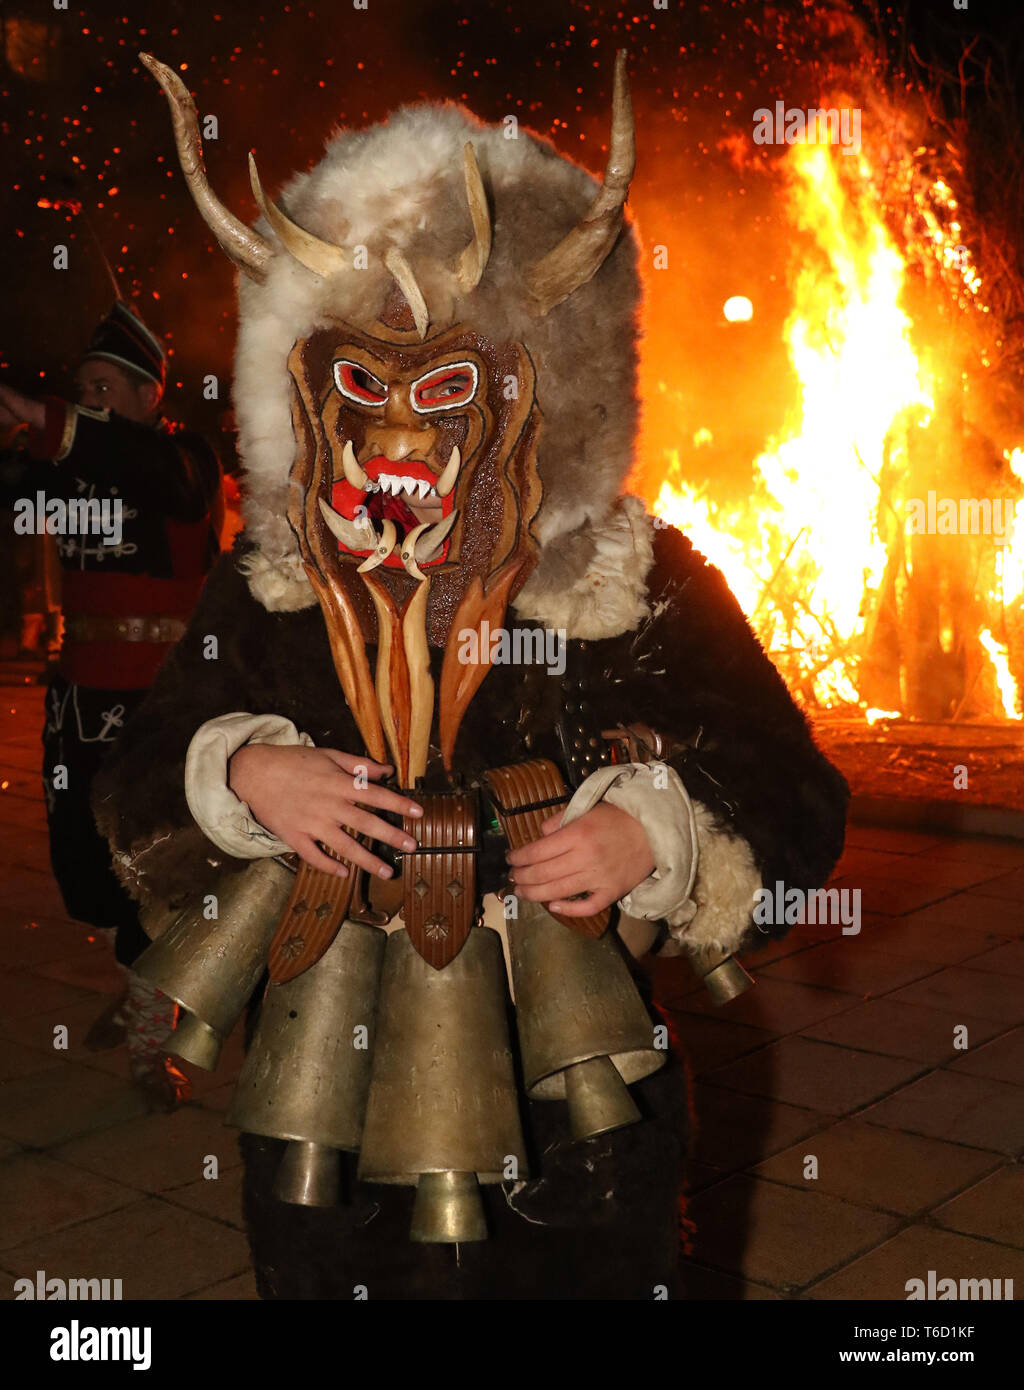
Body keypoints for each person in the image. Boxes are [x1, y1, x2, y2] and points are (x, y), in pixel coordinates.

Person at [92, 51, 848, 1297]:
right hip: (326, 1121)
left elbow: (796, 795)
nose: (401, 439)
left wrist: (658, 834)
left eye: (447, 387)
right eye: (361, 384)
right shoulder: (274, 577)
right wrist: (240, 770)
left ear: (531, 393)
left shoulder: (629, 577)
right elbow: (130, 782)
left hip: (581, 1136)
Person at [0, 300, 222, 1110]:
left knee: (156, 868)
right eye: (80, 386)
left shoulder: (183, 461)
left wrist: (50, 419)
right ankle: (139, 975)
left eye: (104, 385)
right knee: (84, 878)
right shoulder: (66, 470)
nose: (88, 398)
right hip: (76, 700)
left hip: (161, 706)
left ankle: (149, 1038)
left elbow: (159, 480)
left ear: (146, 396)